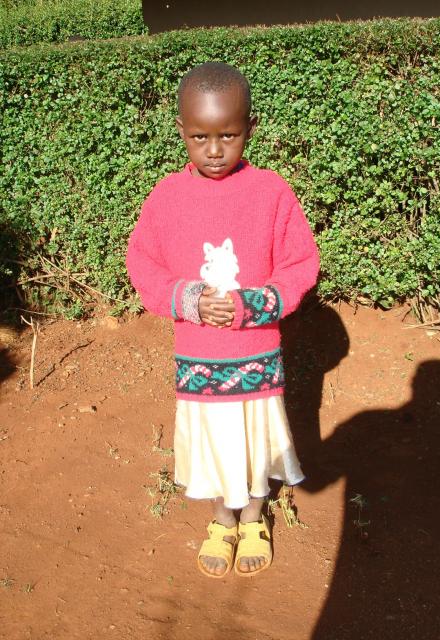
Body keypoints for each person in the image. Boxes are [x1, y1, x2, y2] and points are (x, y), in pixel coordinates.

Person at [126, 61, 319, 578]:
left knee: (254, 438)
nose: (214, 149)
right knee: (213, 439)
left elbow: (301, 263)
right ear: (181, 131)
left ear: (250, 128)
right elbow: (142, 262)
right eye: (200, 137)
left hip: (255, 354)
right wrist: (187, 299)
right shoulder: (167, 197)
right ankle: (221, 519)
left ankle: (253, 517)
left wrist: (252, 305)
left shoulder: (271, 192)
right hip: (199, 357)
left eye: (228, 135)